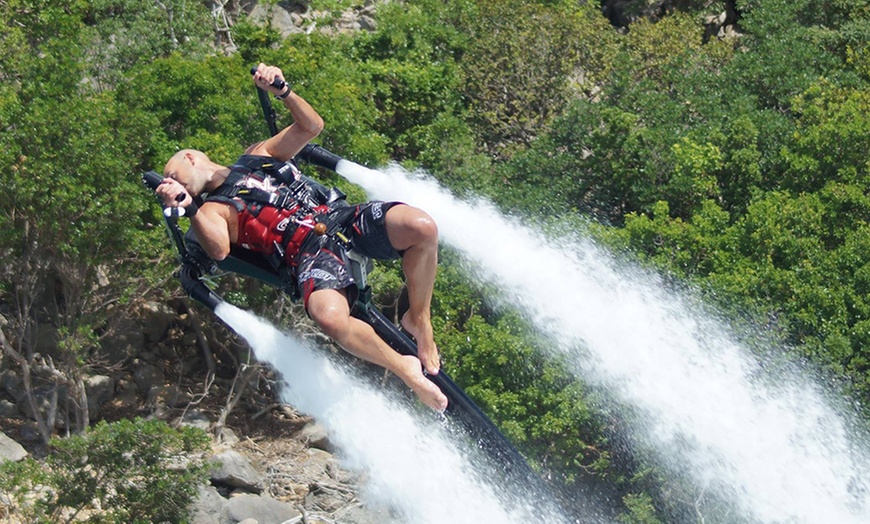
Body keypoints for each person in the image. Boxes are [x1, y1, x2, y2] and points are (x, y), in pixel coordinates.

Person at [156, 63, 447, 411]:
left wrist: (283, 91)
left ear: (189, 157)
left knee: (422, 227)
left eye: (172, 176)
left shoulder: (256, 156)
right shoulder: (210, 212)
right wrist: (187, 208)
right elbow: (218, 250)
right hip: (309, 255)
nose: (171, 184)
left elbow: (312, 126)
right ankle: (405, 370)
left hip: (341, 218)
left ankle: (419, 318)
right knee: (329, 317)